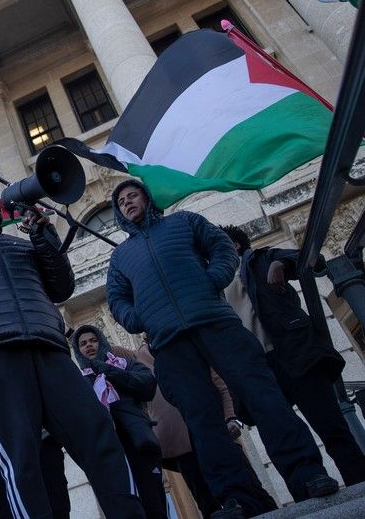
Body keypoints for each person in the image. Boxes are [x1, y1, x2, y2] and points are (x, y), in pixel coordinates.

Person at [0, 181, 144, 519]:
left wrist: (43, 236)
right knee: (19, 455)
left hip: (49, 349)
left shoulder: (21, 245)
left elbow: (61, 287)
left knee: (99, 436)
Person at [106, 180, 337, 518]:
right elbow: (116, 299)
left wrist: (212, 279)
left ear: (147, 199)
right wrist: (139, 318)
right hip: (169, 343)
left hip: (215, 322)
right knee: (202, 421)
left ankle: (308, 475)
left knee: (262, 394)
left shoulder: (184, 222)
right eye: (121, 201)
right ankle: (236, 498)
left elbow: (222, 248)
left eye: (133, 196)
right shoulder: (121, 257)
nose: (127, 202)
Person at [220, 224, 365, 487]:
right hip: (257, 369)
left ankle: (358, 481)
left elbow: (310, 259)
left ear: (236, 245)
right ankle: (309, 490)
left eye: (219, 243)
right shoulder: (213, 283)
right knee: (283, 440)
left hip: (293, 353)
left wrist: (281, 265)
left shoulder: (261, 258)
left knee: (331, 426)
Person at [133, 340, 276, 518]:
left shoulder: (186, 343)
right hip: (179, 442)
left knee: (249, 485)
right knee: (205, 497)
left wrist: (231, 417)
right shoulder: (137, 357)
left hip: (211, 429)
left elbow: (220, 383)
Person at [72, 325, 166, 519]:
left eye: (92, 340)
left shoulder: (124, 364)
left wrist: (107, 370)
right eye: (83, 344)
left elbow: (147, 385)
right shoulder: (78, 382)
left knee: (154, 503)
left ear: (102, 342)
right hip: (109, 453)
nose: (88, 345)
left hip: (139, 444)